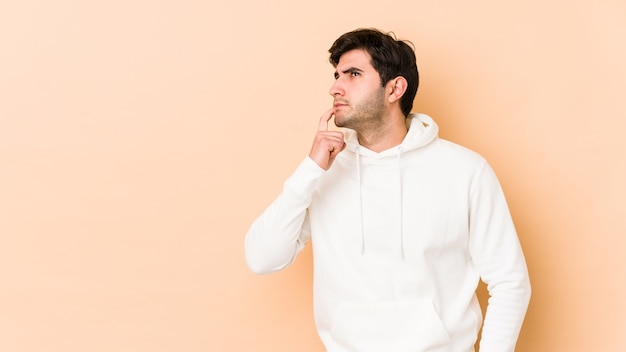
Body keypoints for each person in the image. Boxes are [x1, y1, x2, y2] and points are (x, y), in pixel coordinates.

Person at [245, 28, 531, 352]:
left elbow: (510, 281)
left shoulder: (465, 171)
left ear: (395, 88)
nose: (335, 87)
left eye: (353, 74)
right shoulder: (322, 174)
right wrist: (309, 170)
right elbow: (261, 258)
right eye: (336, 75)